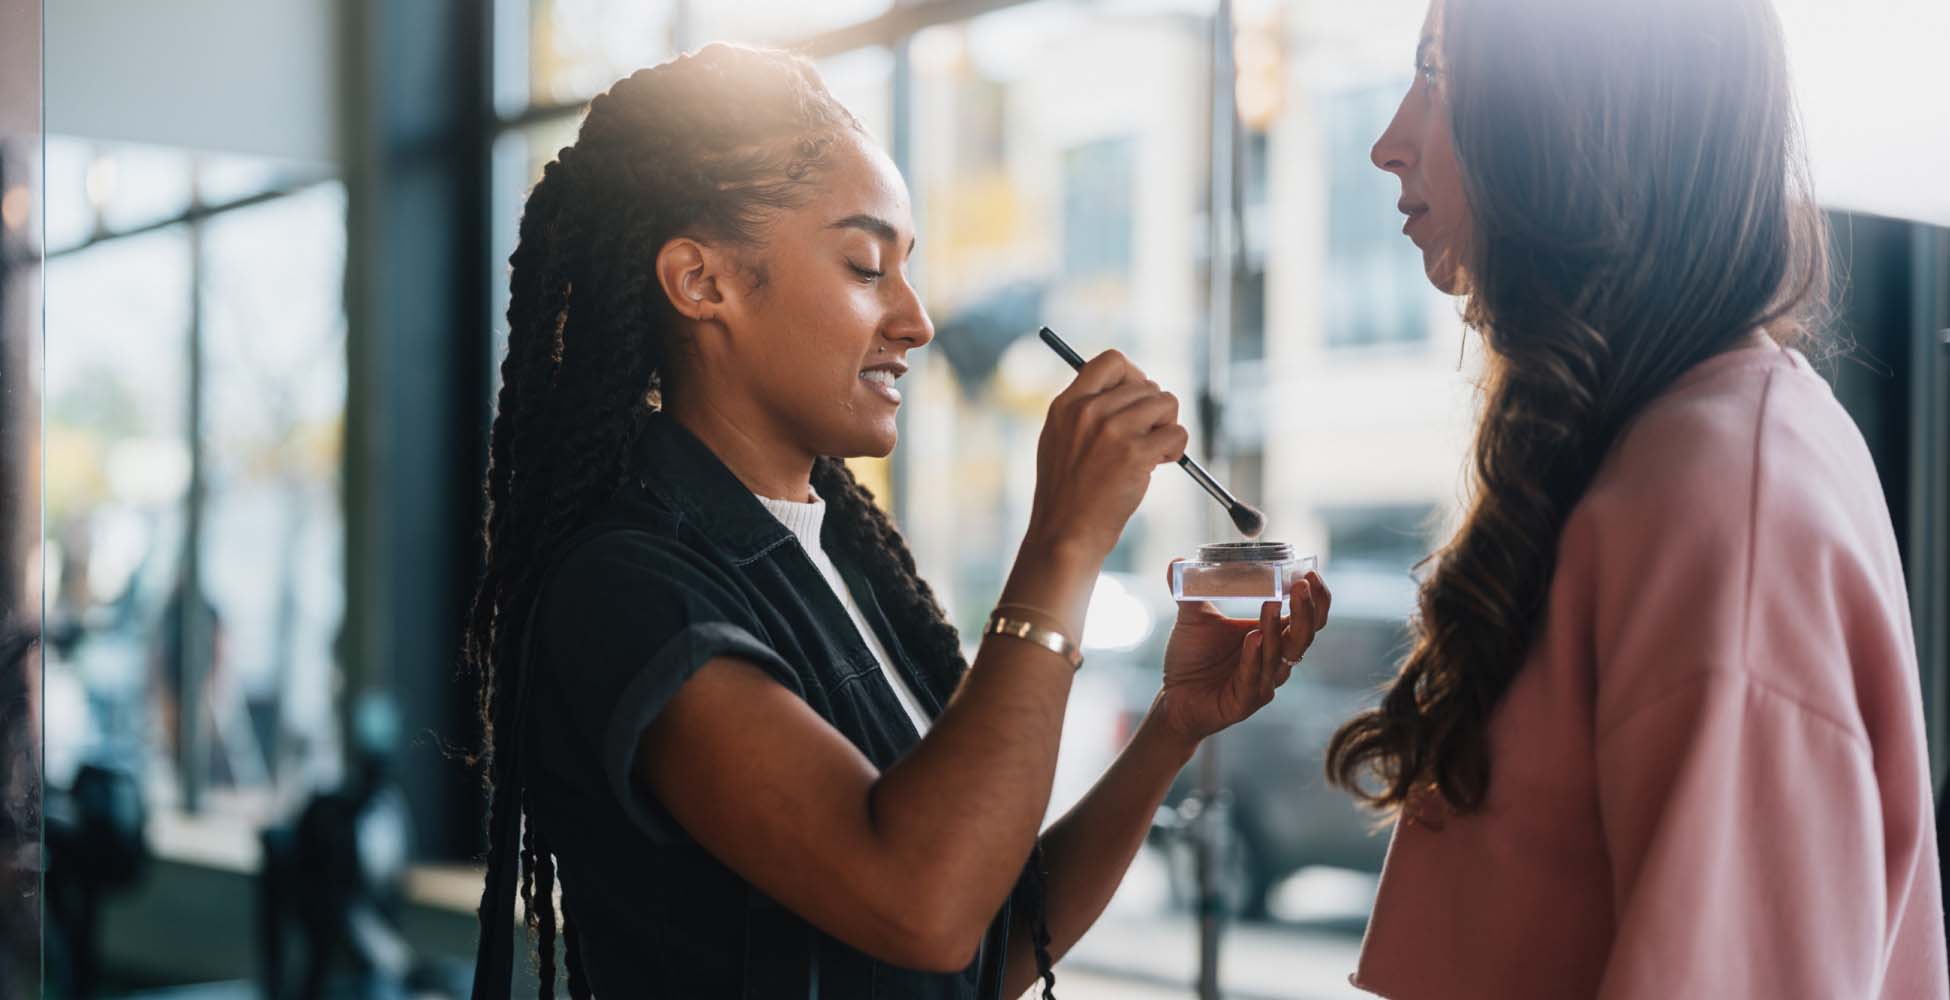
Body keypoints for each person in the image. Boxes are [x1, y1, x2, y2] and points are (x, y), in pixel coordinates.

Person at [464, 43, 1331, 999]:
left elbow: (985, 945)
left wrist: (1173, 727)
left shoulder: (842, 566)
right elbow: (924, 905)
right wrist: (1063, 539)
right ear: (701, 282)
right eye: (866, 265)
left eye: (906, 269)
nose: (915, 319)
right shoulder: (628, 591)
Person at [1330, 0, 1948, 996]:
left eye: (1440, 74)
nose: (1388, 142)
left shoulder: (1722, 506)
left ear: (1581, 116)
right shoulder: (1669, 456)